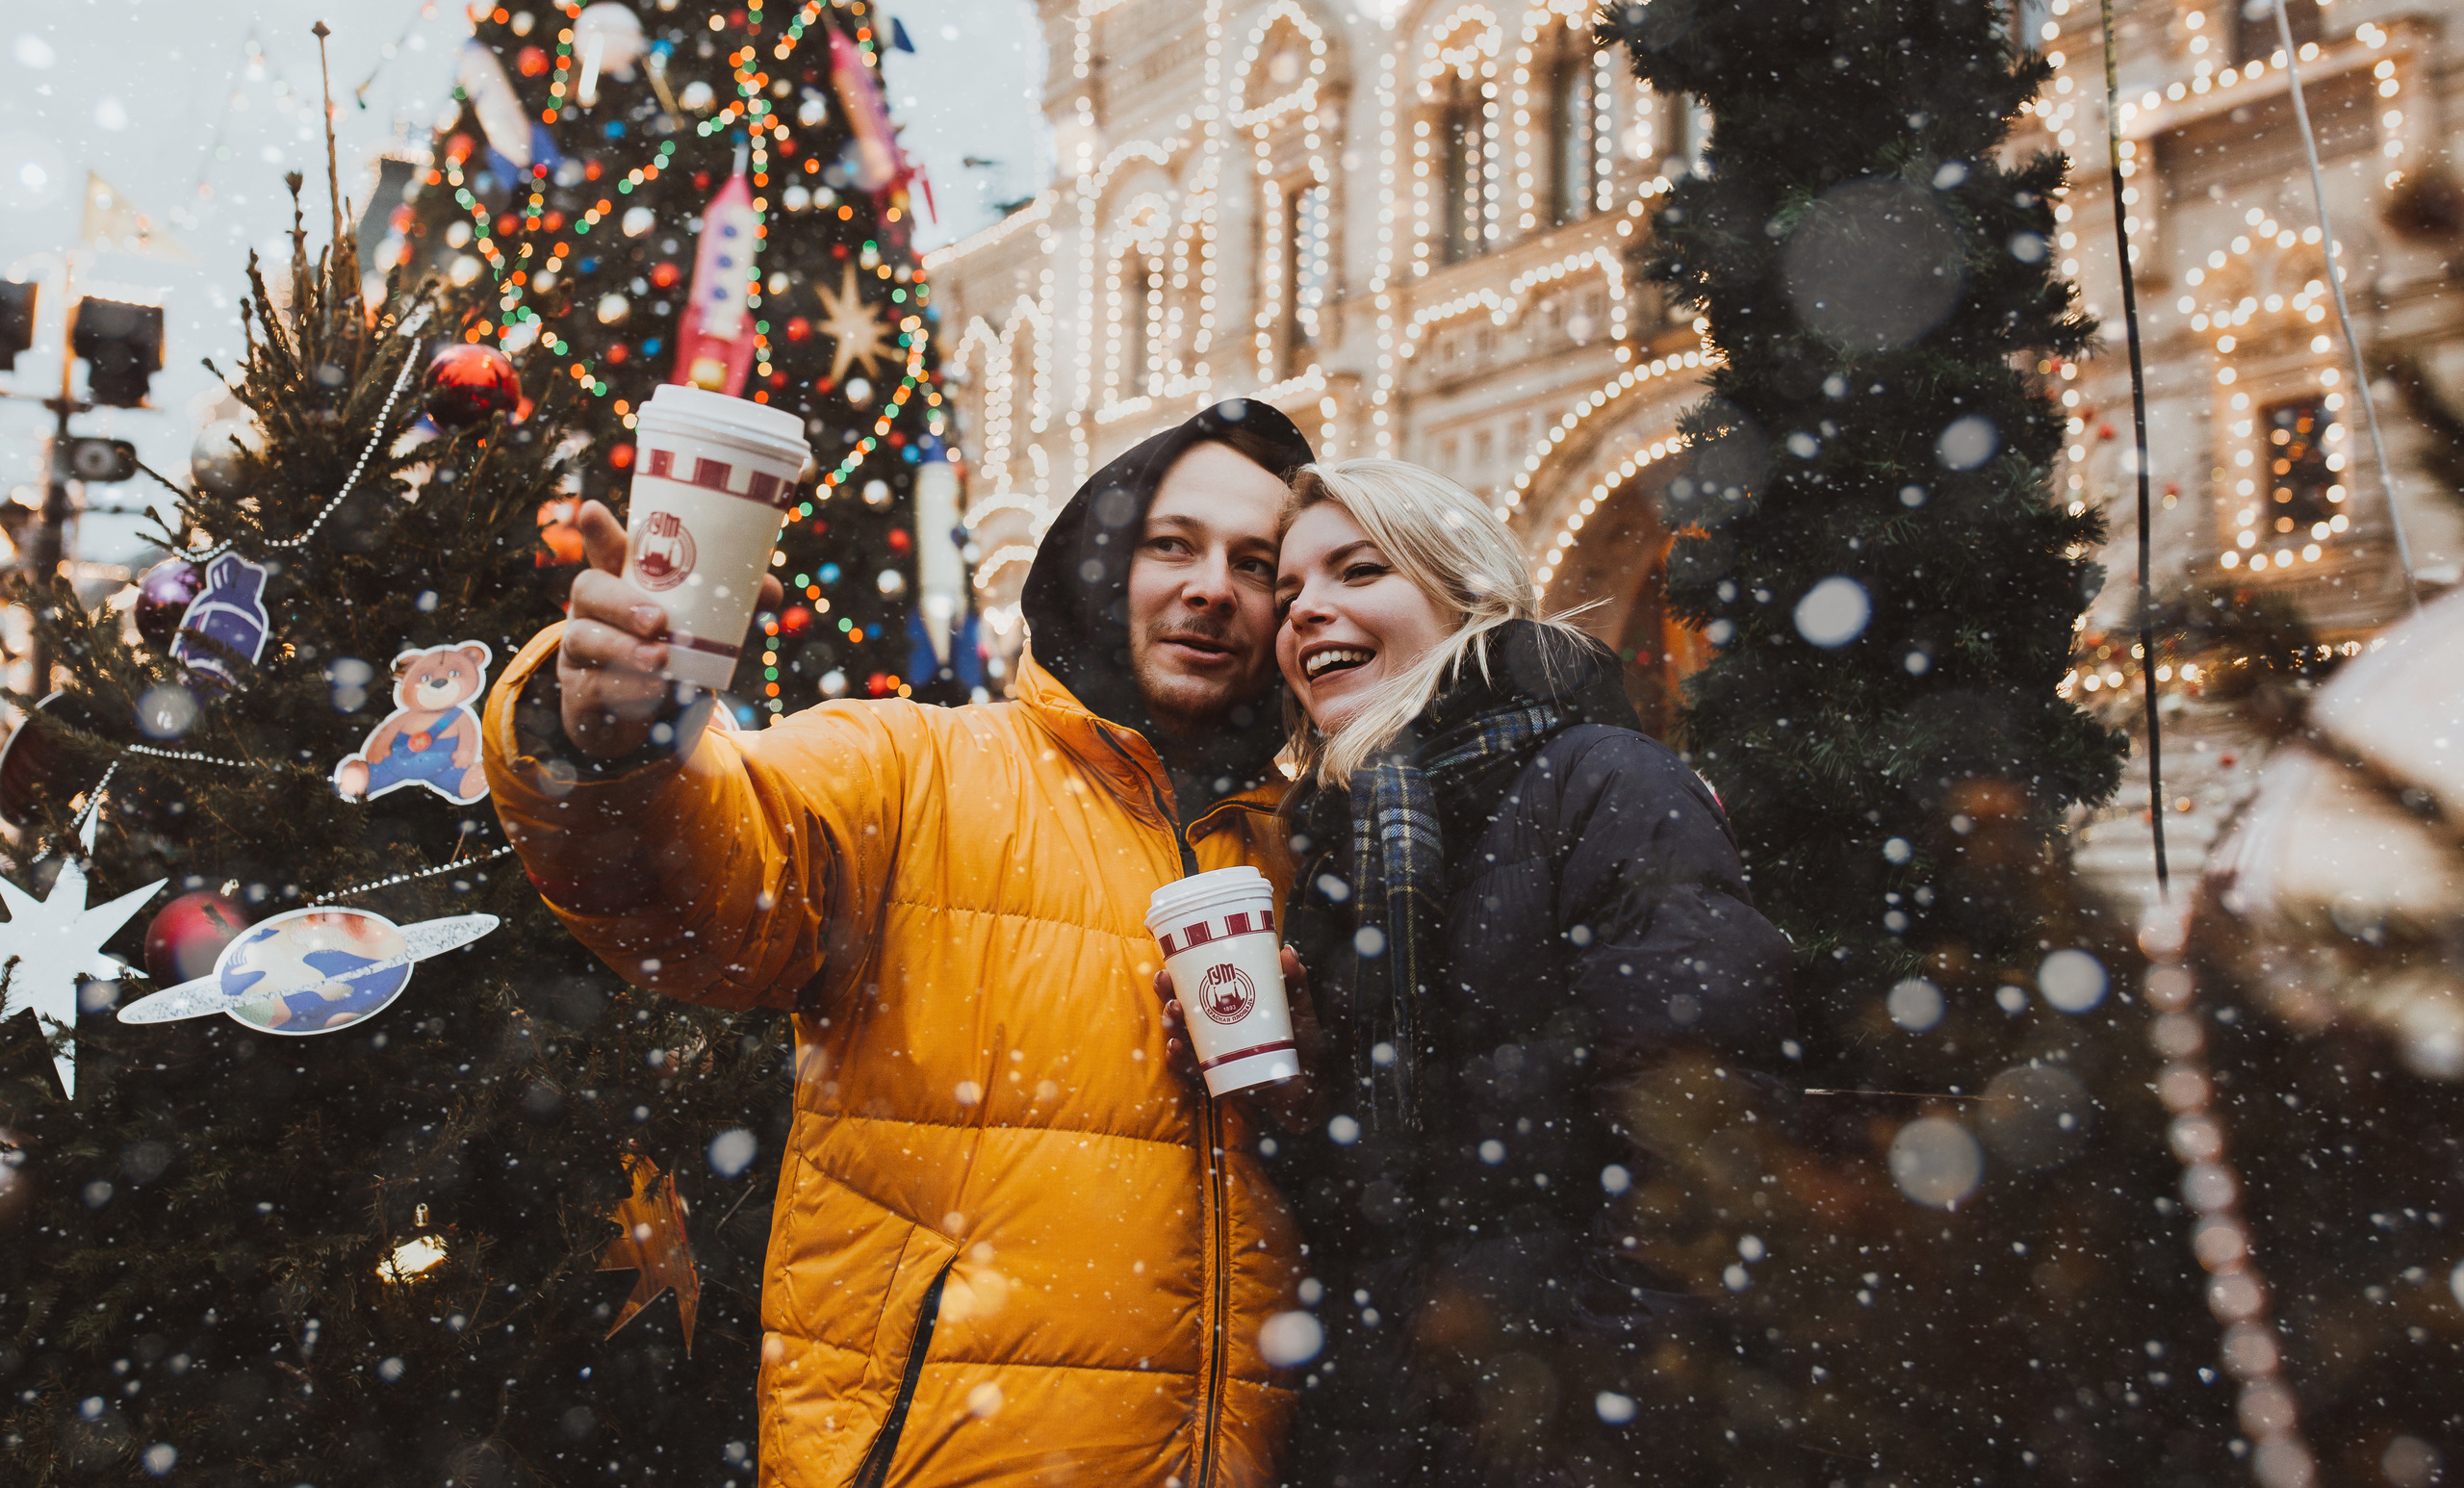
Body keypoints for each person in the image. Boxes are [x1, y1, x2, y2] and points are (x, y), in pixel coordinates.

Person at [481, 400, 1316, 1488]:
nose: (1212, 586)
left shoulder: (1310, 848)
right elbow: (691, 891)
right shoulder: (913, 767)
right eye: (1173, 543)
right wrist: (606, 742)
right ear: (1102, 560)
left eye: (1255, 563)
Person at [1251, 457, 1794, 1488]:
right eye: (1288, 595)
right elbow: (1377, 1186)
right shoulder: (1337, 840)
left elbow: (1697, 1150)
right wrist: (1298, 1079)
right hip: (1386, 1421)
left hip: (1551, 1425)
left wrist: (1593, 1426)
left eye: (1358, 571)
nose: (1307, 612)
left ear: (1467, 592)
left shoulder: (1605, 785)